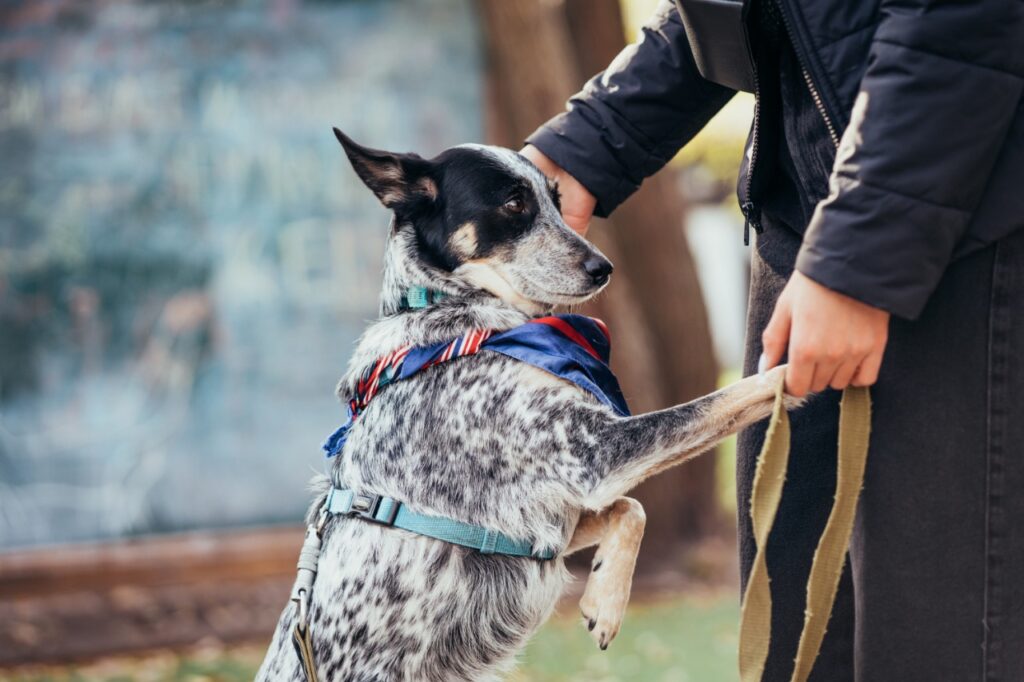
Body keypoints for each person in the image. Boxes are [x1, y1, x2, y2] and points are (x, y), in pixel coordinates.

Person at [521, 0, 1024, 679]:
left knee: (935, 645)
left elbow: (960, 20)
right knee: (797, 645)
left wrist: (862, 262)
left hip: (963, 243)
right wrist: (589, 141)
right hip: (804, 232)